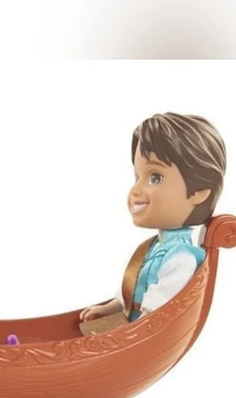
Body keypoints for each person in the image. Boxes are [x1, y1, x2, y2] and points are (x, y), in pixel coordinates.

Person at [80, 112, 226, 323]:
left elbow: (159, 308)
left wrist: (130, 331)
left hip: (142, 330)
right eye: (137, 177)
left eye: (155, 178)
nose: (135, 190)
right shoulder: (154, 248)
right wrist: (109, 309)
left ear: (198, 192)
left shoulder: (180, 257)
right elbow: (133, 288)